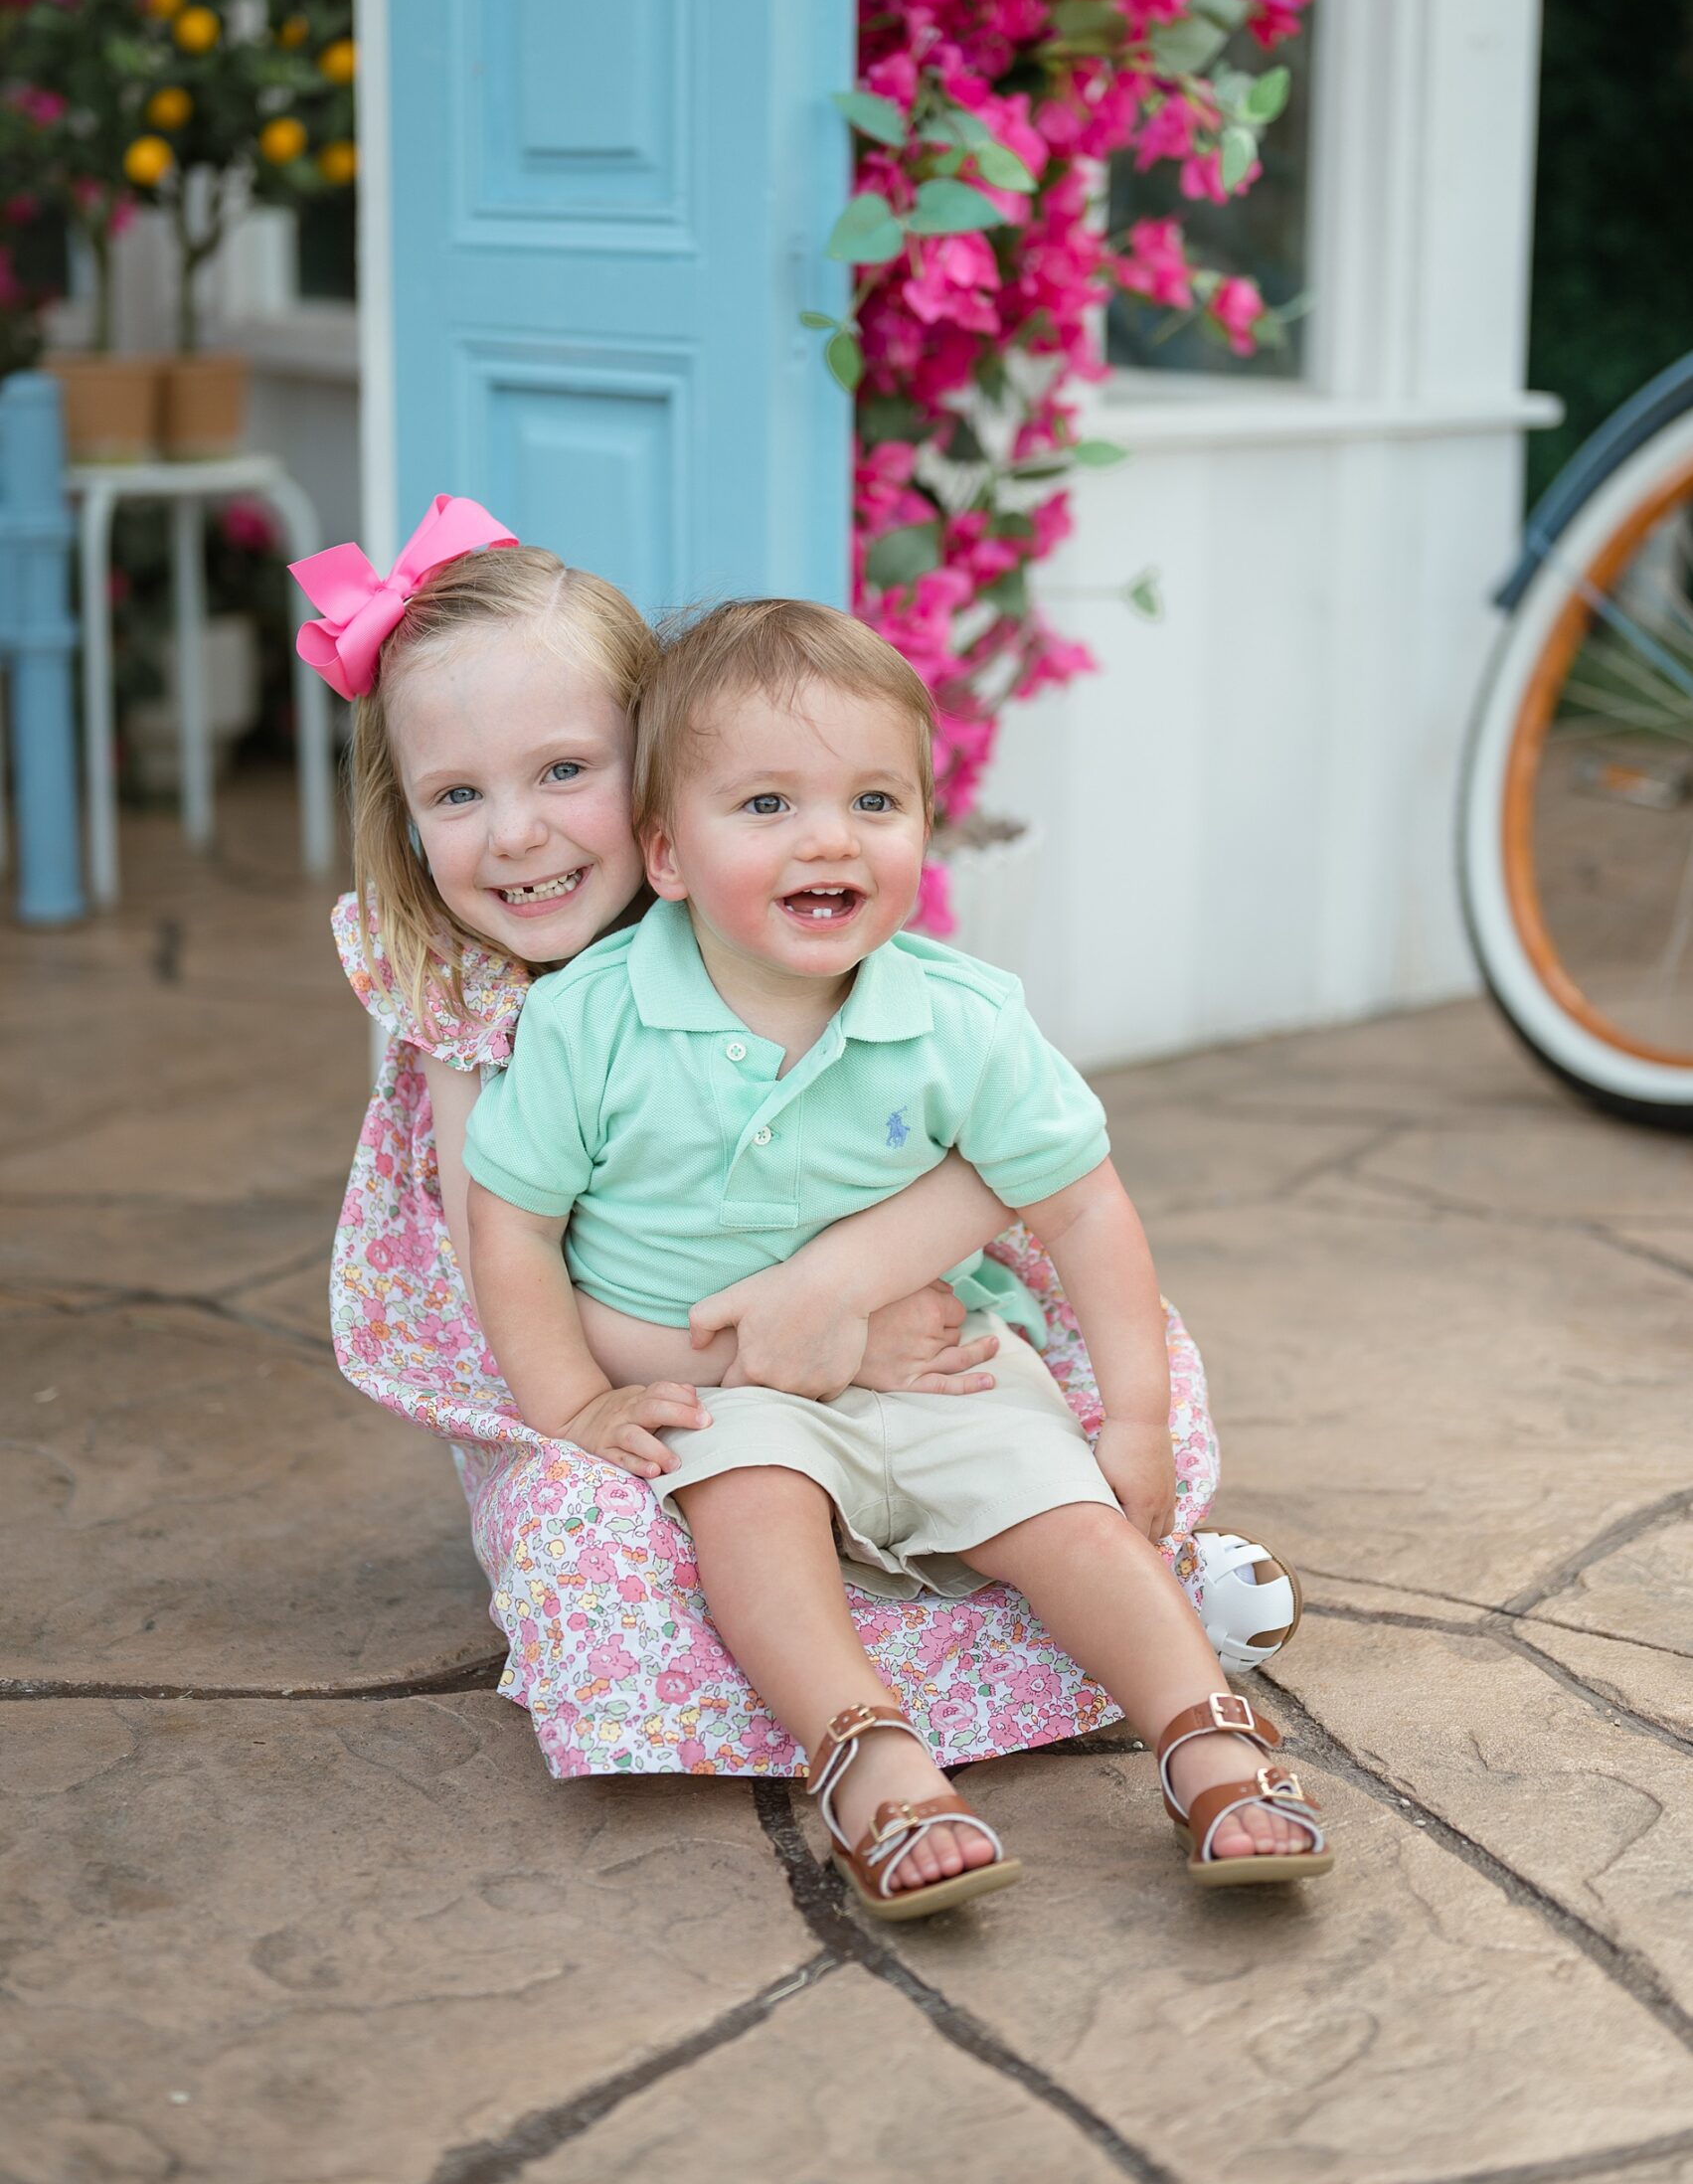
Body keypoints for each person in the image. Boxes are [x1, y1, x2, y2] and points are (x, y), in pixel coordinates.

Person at [294, 502, 1293, 1787]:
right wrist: (791, 1343)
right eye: (457, 794)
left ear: (658, 778)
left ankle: (1132, 1607)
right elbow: (514, 1267)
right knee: (627, 1539)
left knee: (1056, 1428)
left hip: (904, 1333)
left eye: (564, 772)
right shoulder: (485, 1007)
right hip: (631, 1370)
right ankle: (897, 1692)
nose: (518, 835)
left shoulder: (817, 946)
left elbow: (1010, 1167)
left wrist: (842, 1297)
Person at [463, 597, 1333, 1912]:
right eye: (766, 806)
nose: (830, 837)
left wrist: (1138, 1419)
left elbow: (1085, 1207)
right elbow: (514, 1226)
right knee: (751, 1520)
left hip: (936, 1367)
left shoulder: (958, 1019)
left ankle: (1205, 1733)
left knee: (1074, 1518)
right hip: (731, 1395)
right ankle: (874, 1761)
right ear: (667, 853)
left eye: (876, 800)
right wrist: (571, 1406)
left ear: (926, 827)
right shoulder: (594, 1022)